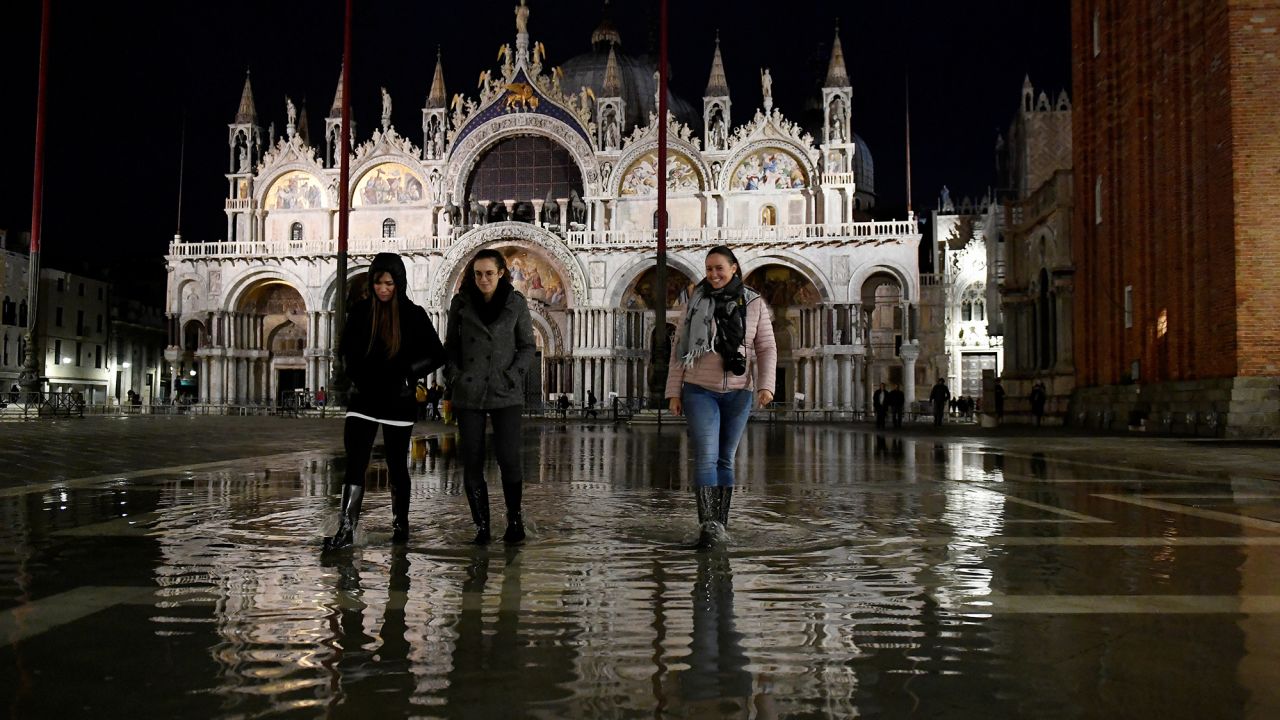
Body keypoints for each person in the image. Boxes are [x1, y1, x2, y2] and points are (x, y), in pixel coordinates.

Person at [323, 252, 445, 552]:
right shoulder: (361, 311)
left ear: (399, 283)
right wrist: (353, 375)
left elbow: (437, 353)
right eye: (378, 283)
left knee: (396, 466)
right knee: (355, 461)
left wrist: (407, 374)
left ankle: (400, 525)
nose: (383, 289)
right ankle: (347, 529)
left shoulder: (413, 314)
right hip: (363, 398)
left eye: (389, 283)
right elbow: (346, 350)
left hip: (397, 400)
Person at [665, 246, 777, 549]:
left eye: (719, 269)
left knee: (726, 459)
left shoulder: (753, 303)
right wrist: (674, 391)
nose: (713, 275)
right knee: (706, 456)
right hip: (699, 389)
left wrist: (766, 385)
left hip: (739, 391)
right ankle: (707, 528)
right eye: (709, 268)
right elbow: (680, 347)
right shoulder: (695, 301)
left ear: (734, 269)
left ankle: (720, 526)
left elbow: (766, 347)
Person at [445, 248, 537, 545]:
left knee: (509, 459)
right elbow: (451, 346)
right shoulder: (460, 304)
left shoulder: (516, 303)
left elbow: (527, 346)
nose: (483, 279)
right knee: (471, 461)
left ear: (501, 274)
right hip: (469, 391)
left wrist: (513, 375)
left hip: (504, 391)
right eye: (477, 274)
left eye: (489, 273)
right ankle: (482, 526)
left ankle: (514, 519)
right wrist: (455, 375)